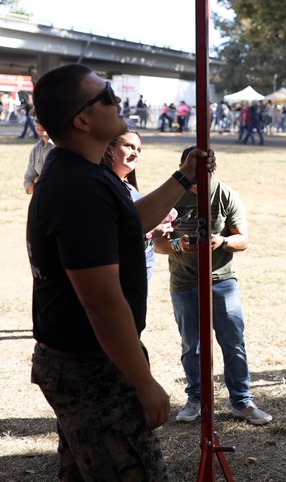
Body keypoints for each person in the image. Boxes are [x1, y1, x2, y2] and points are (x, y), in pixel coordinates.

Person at [26, 63, 213, 480]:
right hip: (92, 370)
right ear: (83, 120)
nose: (118, 101)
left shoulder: (84, 171)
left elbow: (128, 222)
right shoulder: (79, 188)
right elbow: (101, 303)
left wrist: (183, 178)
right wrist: (143, 381)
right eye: (107, 96)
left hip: (83, 361)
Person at [157, 147, 272, 425]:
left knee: (233, 342)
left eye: (205, 170)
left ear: (214, 168)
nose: (199, 176)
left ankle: (241, 402)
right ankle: (195, 399)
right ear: (183, 168)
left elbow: (243, 240)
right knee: (191, 346)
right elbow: (158, 243)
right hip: (184, 282)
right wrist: (177, 245)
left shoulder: (225, 194)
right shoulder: (171, 195)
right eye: (193, 170)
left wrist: (221, 242)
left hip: (221, 281)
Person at [102, 131, 174, 286]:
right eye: (129, 146)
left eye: (139, 150)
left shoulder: (128, 188)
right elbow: (106, 233)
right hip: (120, 277)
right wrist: (149, 233)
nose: (135, 154)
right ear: (109, 149)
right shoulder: (104, 187)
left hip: (140, 272)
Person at [23, 122, 55, 195]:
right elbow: (27, 181)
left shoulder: (62, 148)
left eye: (43, 121)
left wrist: (38, 180)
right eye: (36, 122)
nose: (40, 125)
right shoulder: (35, 149)